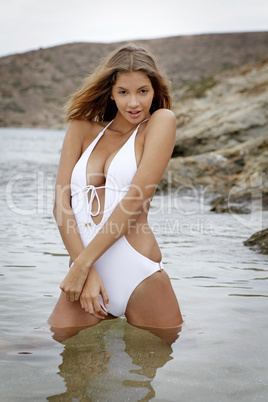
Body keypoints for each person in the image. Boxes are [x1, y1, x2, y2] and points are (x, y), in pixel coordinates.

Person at [48, 44, 183, 340]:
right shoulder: (81, 128)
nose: (134, 102)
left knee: (162, 365)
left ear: (155, 91)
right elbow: (61, 204)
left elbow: (136, 199)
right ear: (110, 91)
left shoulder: (160, 123)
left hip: (138, 272)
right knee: (52, 358)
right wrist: (84, 270)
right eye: (123, 92)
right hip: (87, 271)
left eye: (143, 91)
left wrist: (81, 266)